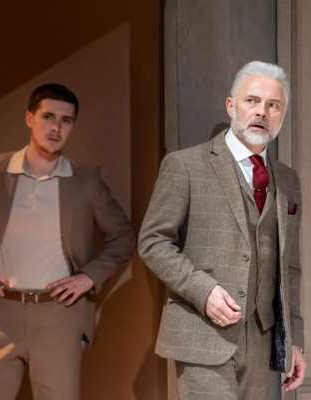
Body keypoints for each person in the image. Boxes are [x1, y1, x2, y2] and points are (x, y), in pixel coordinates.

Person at [138, 61, 306, 399]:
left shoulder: (288, 180)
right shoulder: (185, 165)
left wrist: (293, 339)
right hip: (203, 336)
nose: (262, 112)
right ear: (231, 105)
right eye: (252, 101)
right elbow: (153, 242)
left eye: (273, 105)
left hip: (264, 342)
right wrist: (204, 291)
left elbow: (289, 267)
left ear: (283, 115)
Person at [0, 83, 135, 400]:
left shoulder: (85, 180)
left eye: (66, 120)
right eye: (48, 116)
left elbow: (124, 236)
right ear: (29, 118)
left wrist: (88, 277)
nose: (56, 127)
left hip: (58, 316)